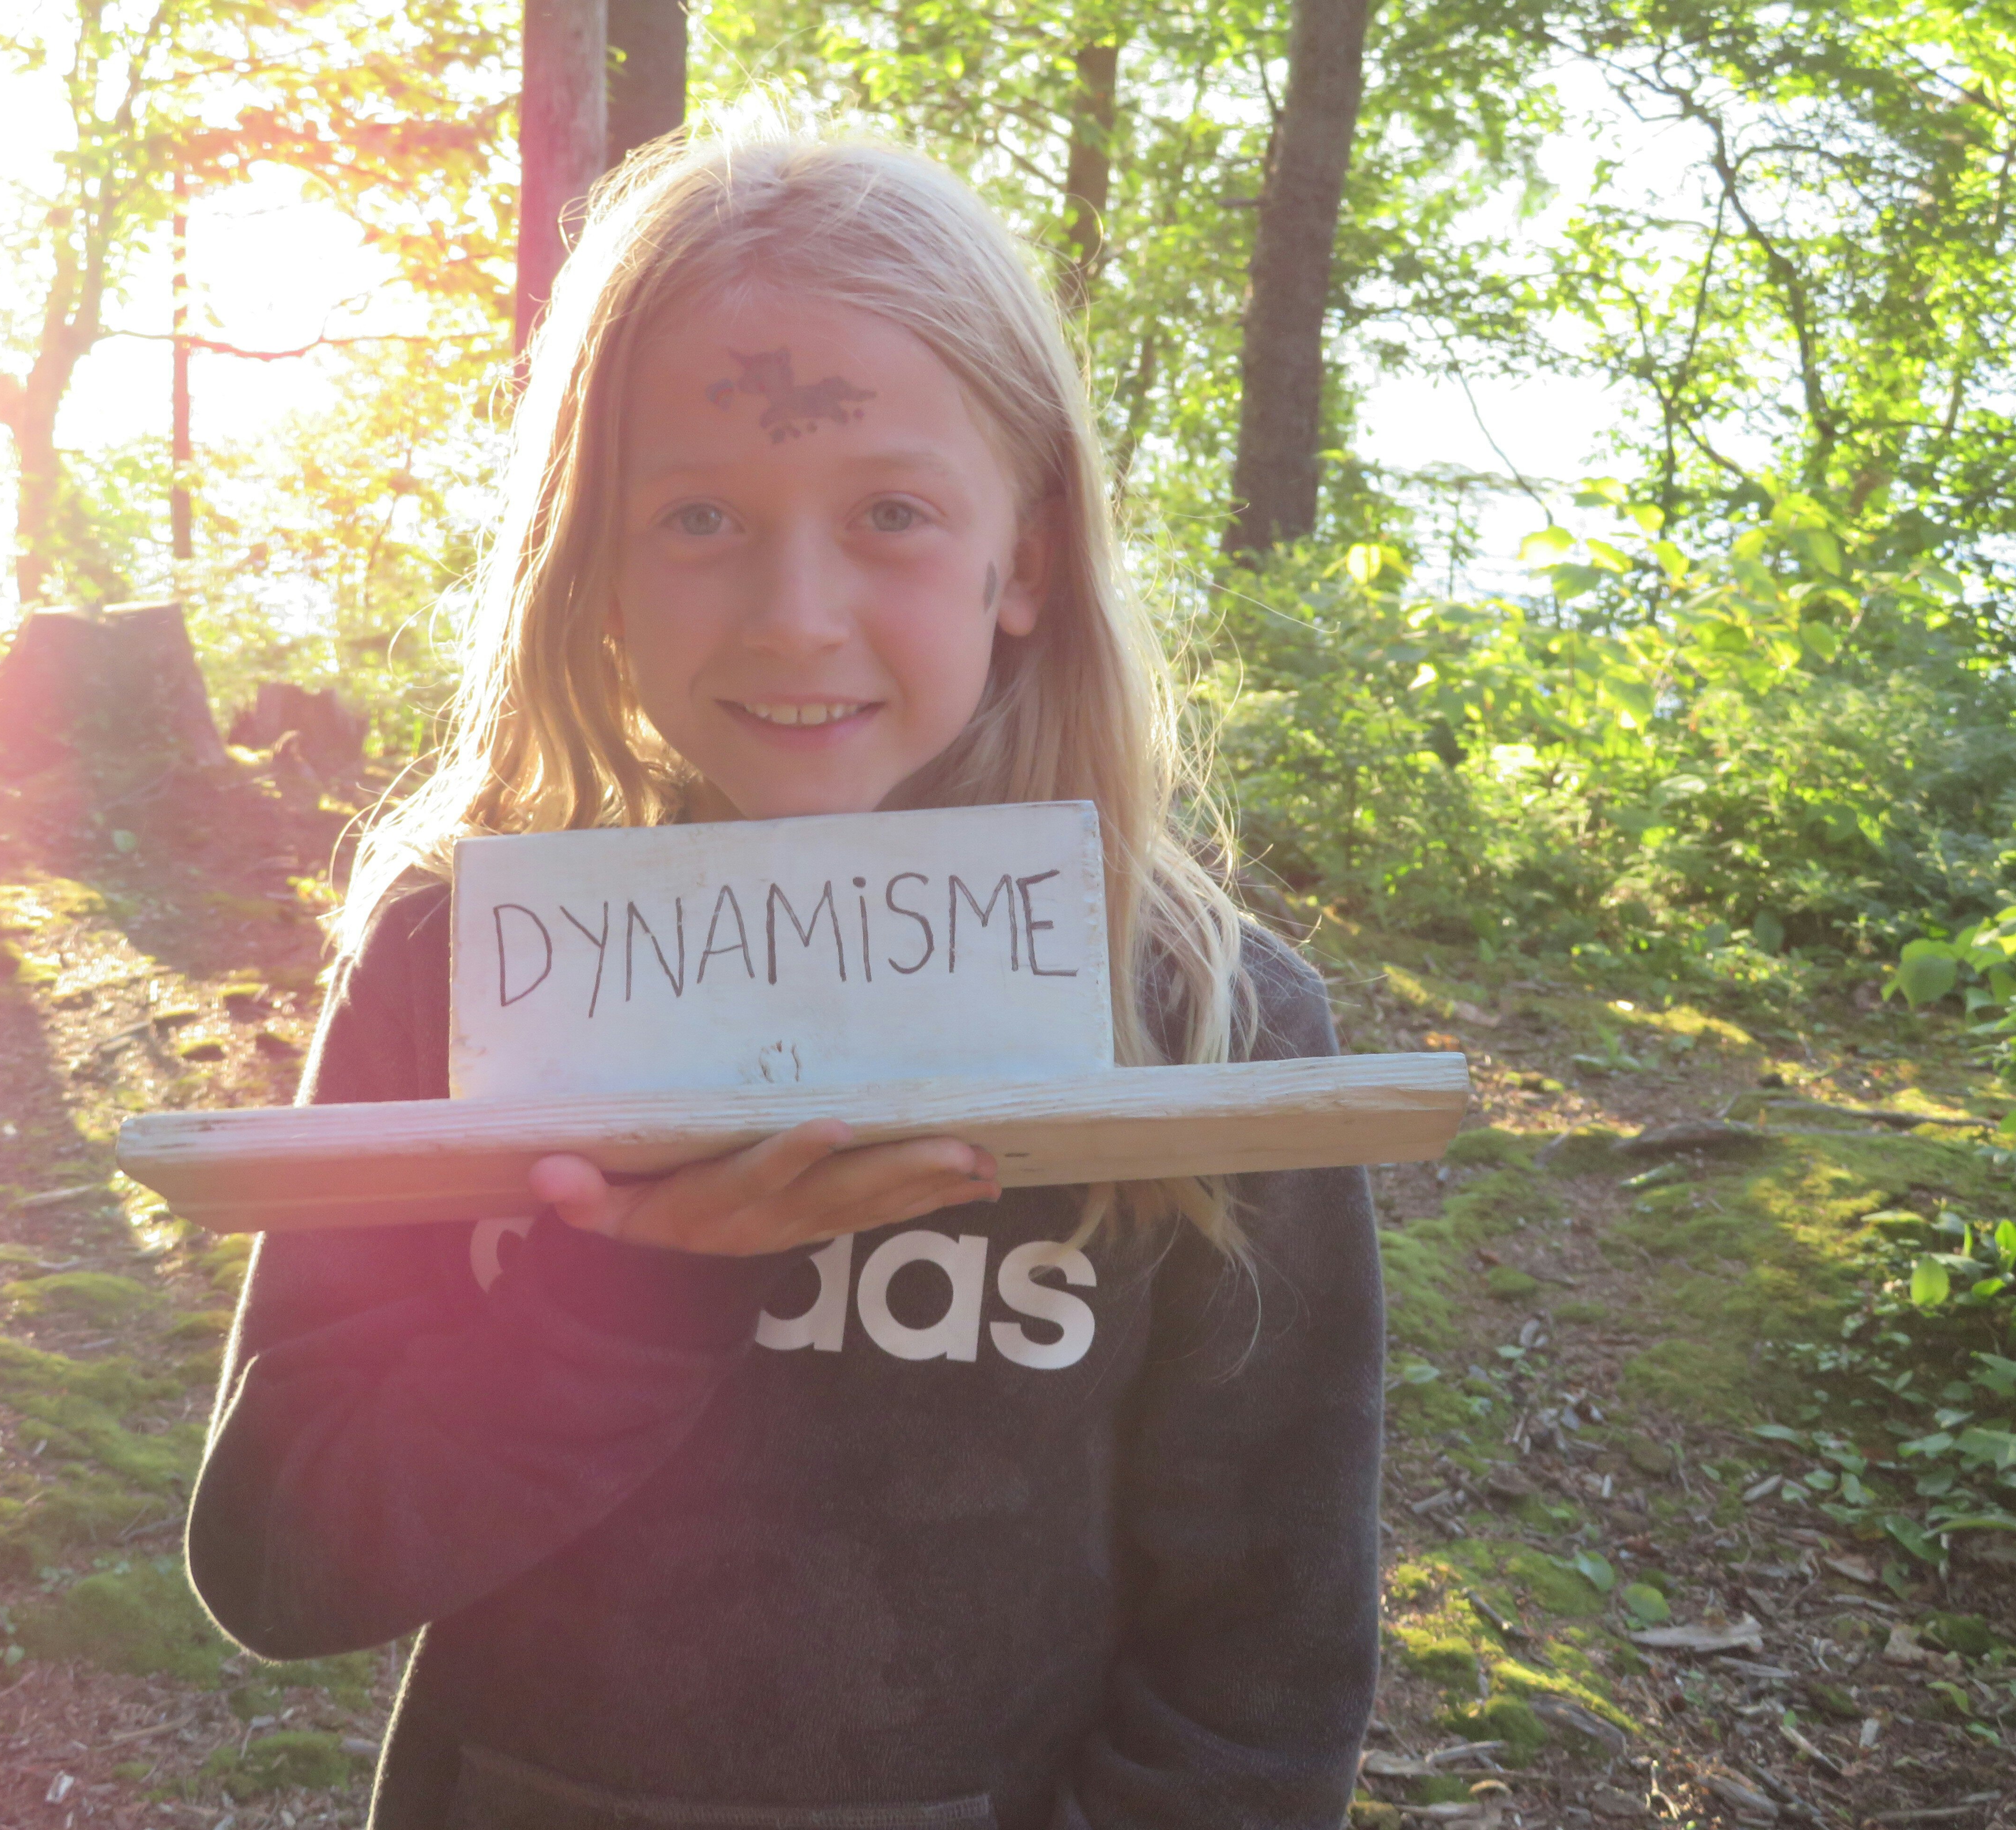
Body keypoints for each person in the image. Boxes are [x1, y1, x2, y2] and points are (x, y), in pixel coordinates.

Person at [186, 126, 1385, 1830]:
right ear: (593, 558)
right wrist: (620, 1291)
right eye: (698, 516)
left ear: (1028, 559)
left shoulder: (1209, 1032)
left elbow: (1262, 1669)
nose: (796, 615)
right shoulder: (464, 972)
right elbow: (279, 1561)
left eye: (892, 513)